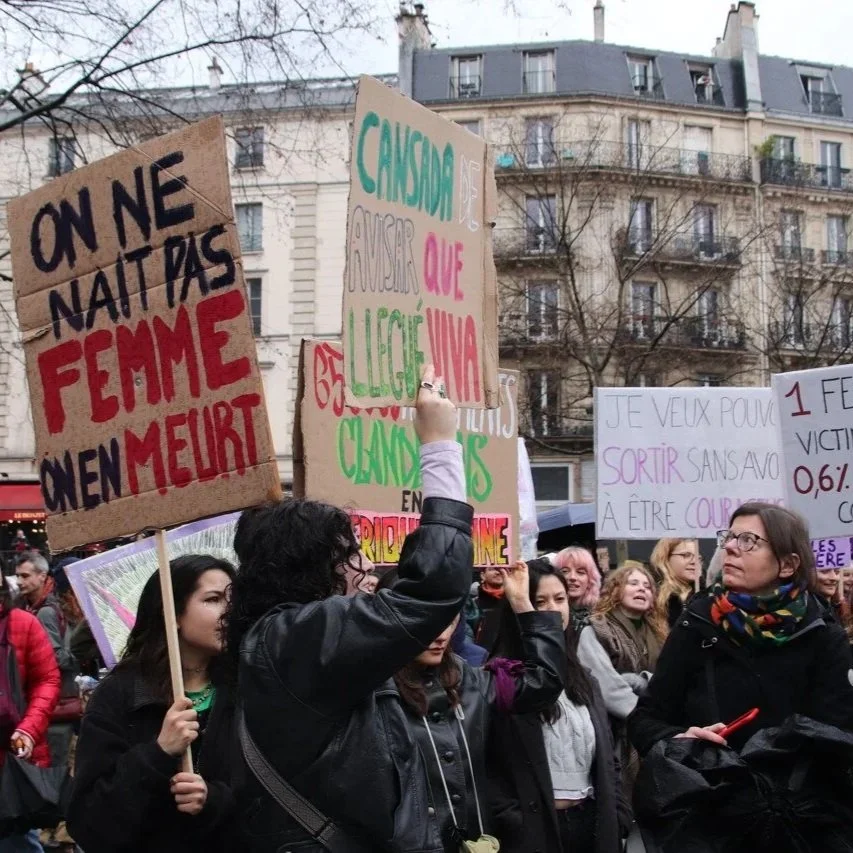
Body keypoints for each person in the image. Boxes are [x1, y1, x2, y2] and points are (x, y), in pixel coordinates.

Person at [226, 366, 501, 852]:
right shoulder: (296, 639)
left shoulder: (285, 639)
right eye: (351, 554)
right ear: (314, 566)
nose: (365, 566)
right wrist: (440, 447)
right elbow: (433, 584)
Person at [629, 502, 853, 758]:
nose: (730, 547)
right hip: (711, 791)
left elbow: (840, 738)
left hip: (796, 795)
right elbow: (645, 720)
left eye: (749, 540)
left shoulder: (822, 634)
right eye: (730, 537)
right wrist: (679, 740)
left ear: (788, 564)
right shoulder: (697, 623)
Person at [377, 561, 565, 850]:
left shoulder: (471, 680)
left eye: (448, 619)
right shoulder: (372, 691)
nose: (440, 634)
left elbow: (545, 683)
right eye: (425, 620)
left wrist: (521, 604)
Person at [67, 555, 238, 853]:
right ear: (172, 613)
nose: (229, 612)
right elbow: (89, 822)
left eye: (233, 599)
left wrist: (212, 800)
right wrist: (158, 753)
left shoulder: (246, 685)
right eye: (213, 599)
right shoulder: (120, 694)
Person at [488, 561, 632, 853]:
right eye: (540, 601)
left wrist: (618, 813)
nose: (553, 609)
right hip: (534, 832)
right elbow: (487, 763)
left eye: (560, 599)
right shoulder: (502, 678)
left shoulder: (585, 679)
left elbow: (607, 757)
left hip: (591, 825)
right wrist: (512, 820)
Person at [577, 565, 667, 791]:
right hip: (616, 733)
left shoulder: (661, 633)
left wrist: (643, 681)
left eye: (647, 586)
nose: (642, 589)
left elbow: (671, 677)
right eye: (633, 583)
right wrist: (646, 712)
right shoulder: (596, 629)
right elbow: (606, 687)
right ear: (616, 589)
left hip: (654, 731)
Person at [0, 572, 60, 853]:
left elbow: (47, 679)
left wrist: (28, 729)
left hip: (12, 757)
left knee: (17, 840)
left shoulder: (22, 624)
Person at [15, 552, 80, 775]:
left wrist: (78, 655)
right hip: (52, 704)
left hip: (55, 704)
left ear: (42, 576)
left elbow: (54, 658)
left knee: (55, 771)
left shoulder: (44, 612)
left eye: (25, 576)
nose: (20, 582)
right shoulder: (38, 608)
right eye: (18, 577)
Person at [649, 537, 701, 627]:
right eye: (686, 555)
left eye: (698, 557)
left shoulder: (707, 595)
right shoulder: (649, 596)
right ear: (666, 558)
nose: (694, 561)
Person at [551, 546, 601, 633]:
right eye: (565, 571)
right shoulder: (547, 613)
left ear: (590, 579)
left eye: (580, 572)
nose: (572, 577)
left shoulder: (601, 618)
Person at [472, 564, 506, 650]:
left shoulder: (514, 602)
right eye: (492, 569)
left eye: (502, 569)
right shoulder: (473, 604)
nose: (498, 572)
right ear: (482, 575)